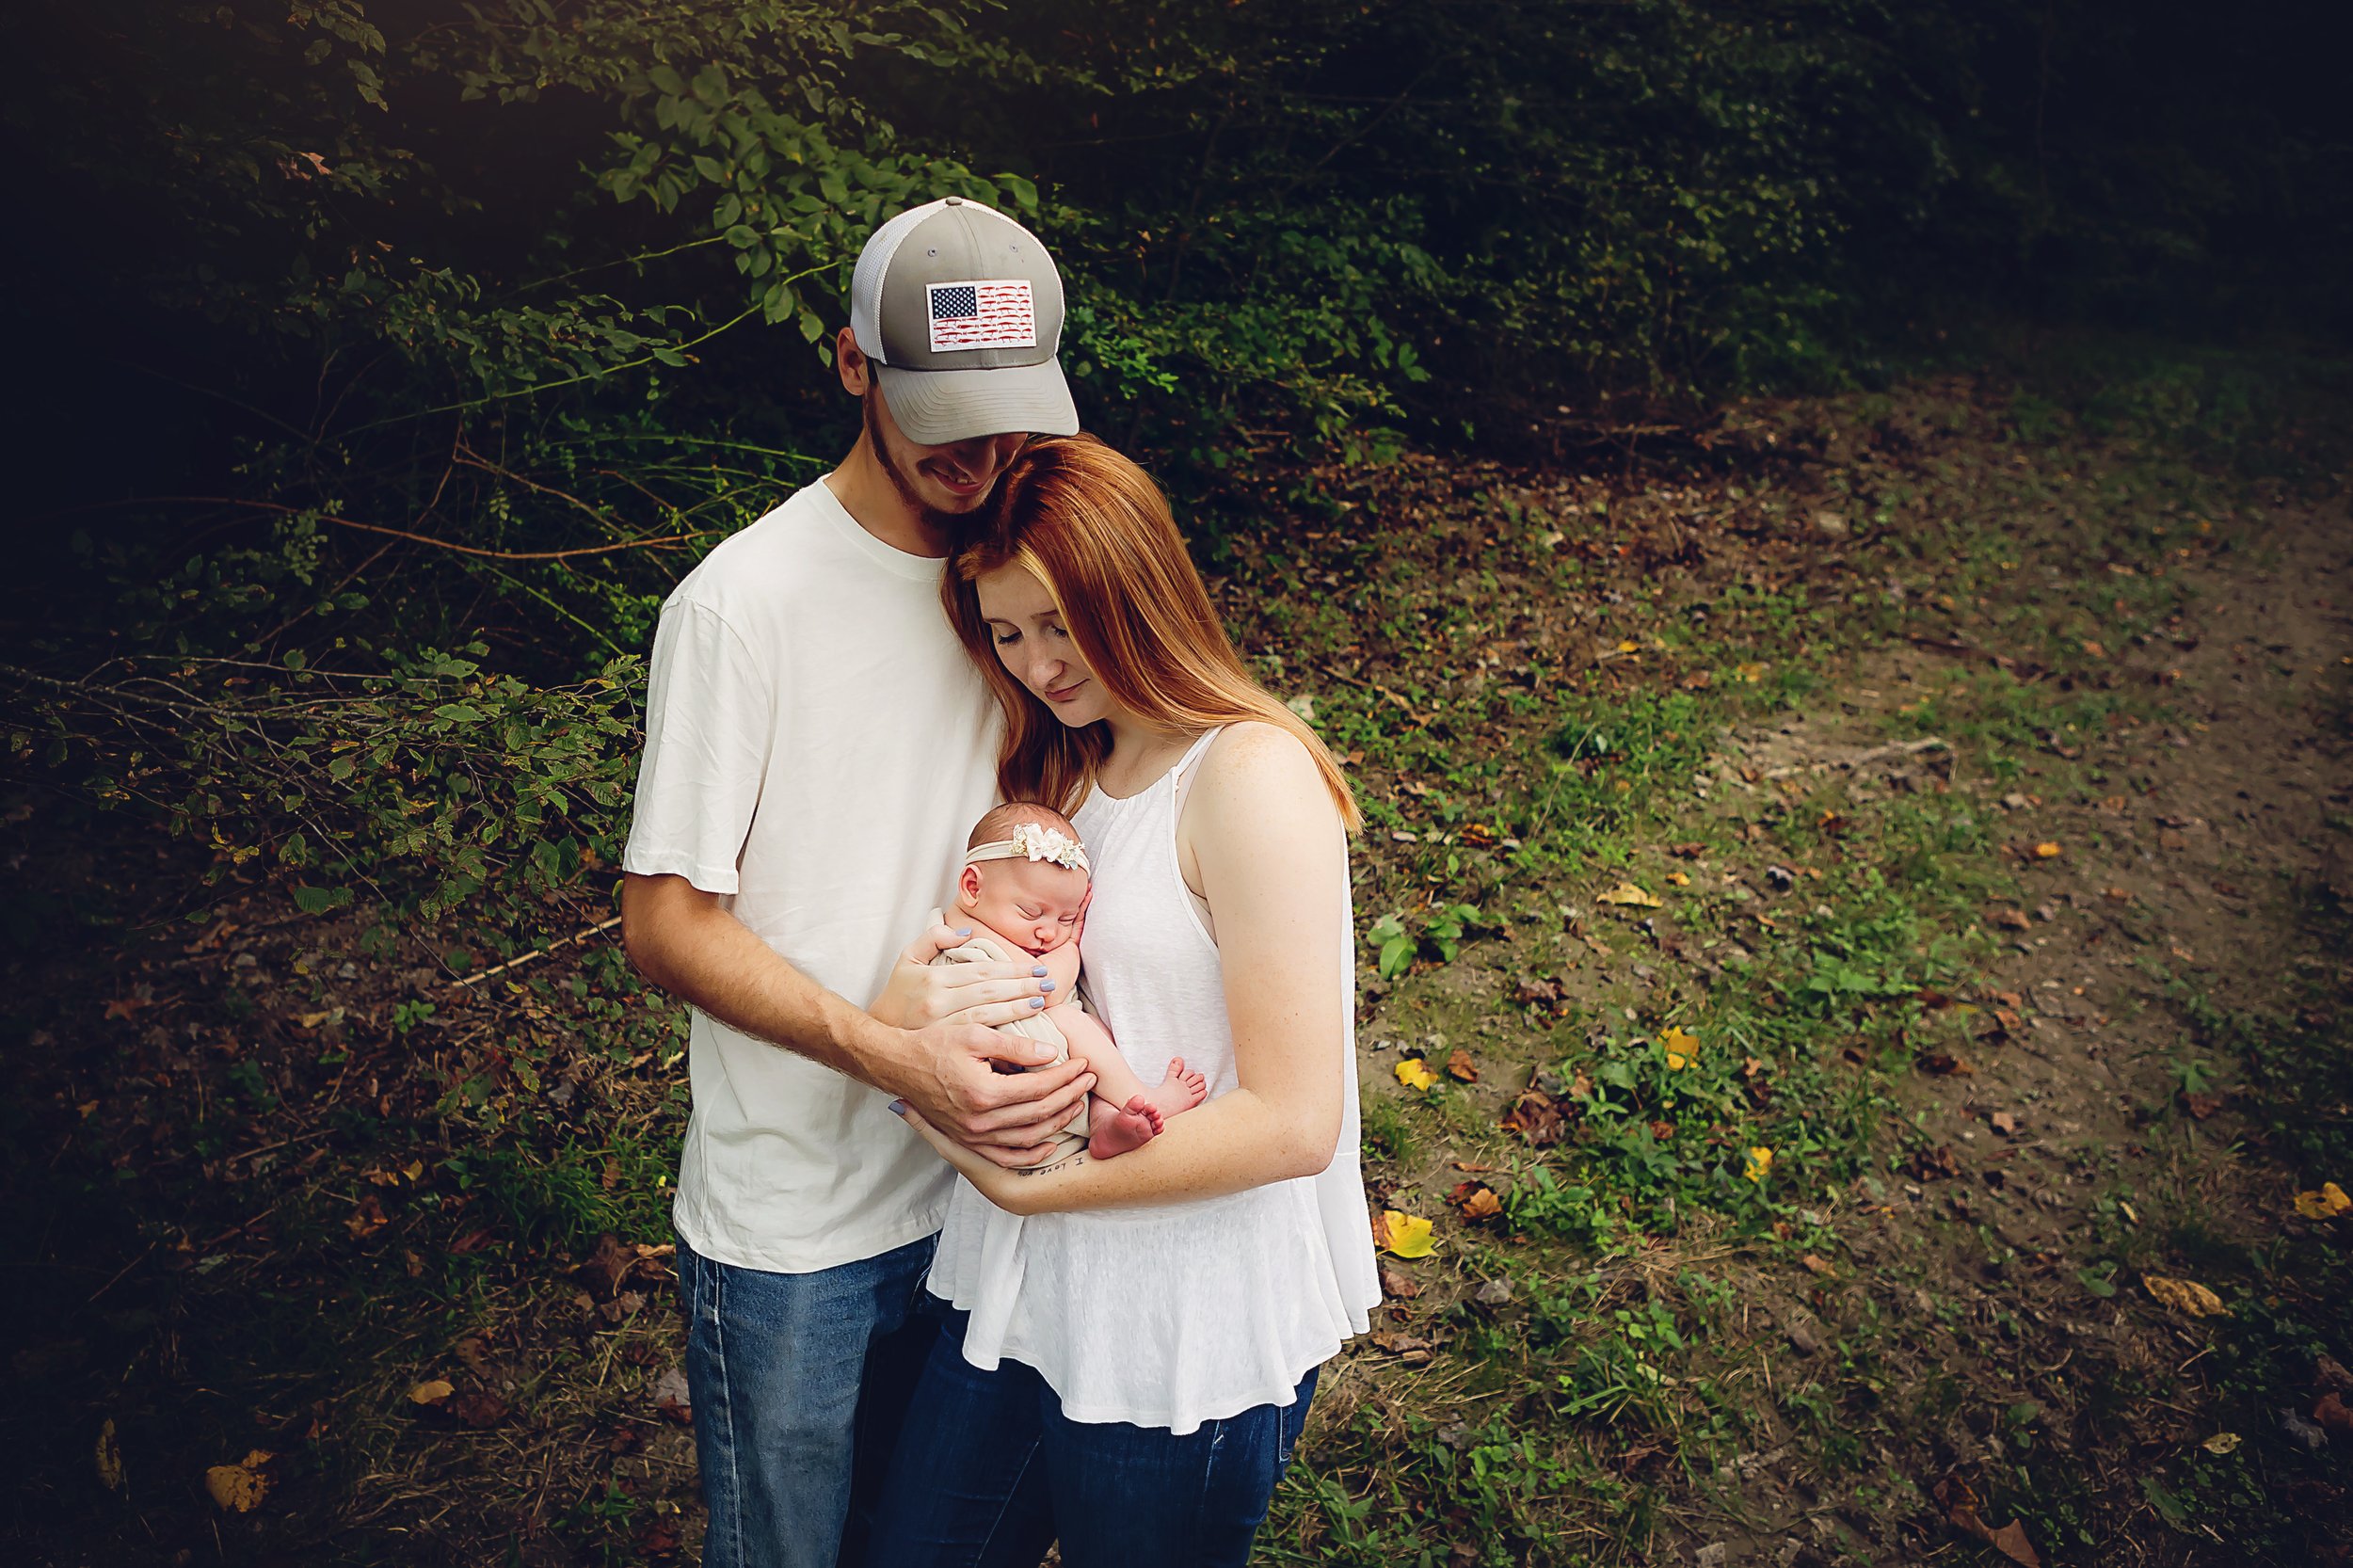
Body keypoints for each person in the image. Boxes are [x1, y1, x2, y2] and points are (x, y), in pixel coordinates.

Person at [617, 196, 1096, 1568]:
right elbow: (663, 920)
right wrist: (891, 1050)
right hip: (799, 1224)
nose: (981, 448)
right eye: (943, 408)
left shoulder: (1021, 580)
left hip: (986, 1189)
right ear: (850, 365)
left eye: (1009, 410)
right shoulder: (743, 601)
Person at [870, 433, 1382, 1568]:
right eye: (1007, 633)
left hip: (1177, 1314)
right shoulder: (1064, 775)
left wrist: (1030, 1183)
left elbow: (1297, 1121)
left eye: (1058, 621)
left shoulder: (1246, 776)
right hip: (1021, 1283)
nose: (1038, 662)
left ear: (1135, 587)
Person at [939, 801, 1209, 1166]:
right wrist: (1069, 947)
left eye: (1067, 917)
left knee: (1093, 1025)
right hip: (1007, 1063)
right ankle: (1142, 1094)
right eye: (1031, 913)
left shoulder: (982, 921)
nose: (1047, 931)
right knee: (1072, 1020)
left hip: (1029, 1084)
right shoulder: (966, 935)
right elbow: (1043, 989)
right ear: (973, 887)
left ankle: (1105, 1123)